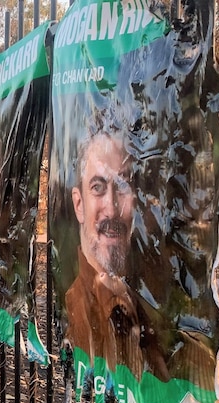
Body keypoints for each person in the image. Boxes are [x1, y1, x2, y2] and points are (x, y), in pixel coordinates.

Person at [64, 128, 169, 382]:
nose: (111, 208)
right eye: (98, 187)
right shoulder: (75, 311)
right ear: (79, 205)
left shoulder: (147, 297)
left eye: (122, 185)